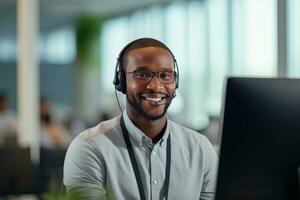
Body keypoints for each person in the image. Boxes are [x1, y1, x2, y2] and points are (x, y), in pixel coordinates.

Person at [63, 38, 218, 200]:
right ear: (121, 82)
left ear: (175, 82)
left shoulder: (201, 149)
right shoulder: (90, 148)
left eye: (165, 75)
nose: (156, 86)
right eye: (143, 75)